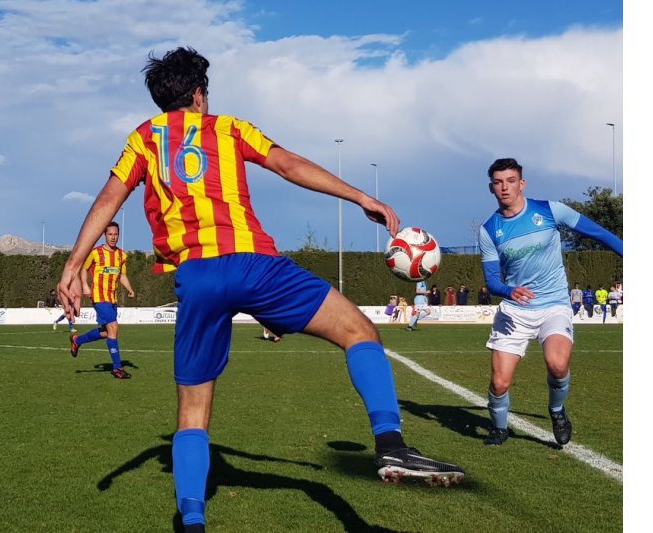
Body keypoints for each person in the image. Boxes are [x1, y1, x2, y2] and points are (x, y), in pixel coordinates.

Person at [57, 46, 464, 532]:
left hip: (197, 277)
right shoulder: (228, 128)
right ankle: (391, 445)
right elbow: (287, 164)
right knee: (359, 331)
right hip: (254, 265)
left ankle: (192, 521)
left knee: (192, 413)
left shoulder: (144, 138)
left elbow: (110, 197)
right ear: (199, 93)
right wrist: (360, 196)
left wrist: (73, 266)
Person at [478, 158, 622, 447]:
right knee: (499, 383)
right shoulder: (489, 230)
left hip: (554, 304)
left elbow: (599, 234)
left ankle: (557, 411)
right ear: (491, 187)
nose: (505, 187)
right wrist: (508, 291)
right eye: (498, 182)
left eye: (510, 181)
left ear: (521, 183)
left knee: (557, 364)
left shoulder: (550, 210)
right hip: (515, 311)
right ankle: (499, 429)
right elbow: (492, 281)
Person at [68, 222, 136, 380]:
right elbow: (84, 269)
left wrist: (129, 288)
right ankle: (117, 368)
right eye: (110, 234)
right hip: (99, 297)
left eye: (115, 234)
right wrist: (85, 285)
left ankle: (77, 340)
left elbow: (122, 275)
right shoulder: (96, 253)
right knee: (113, 327)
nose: (113, 237)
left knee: (107, 332)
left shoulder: (122, 255)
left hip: (112, 299)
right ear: (104, 235)